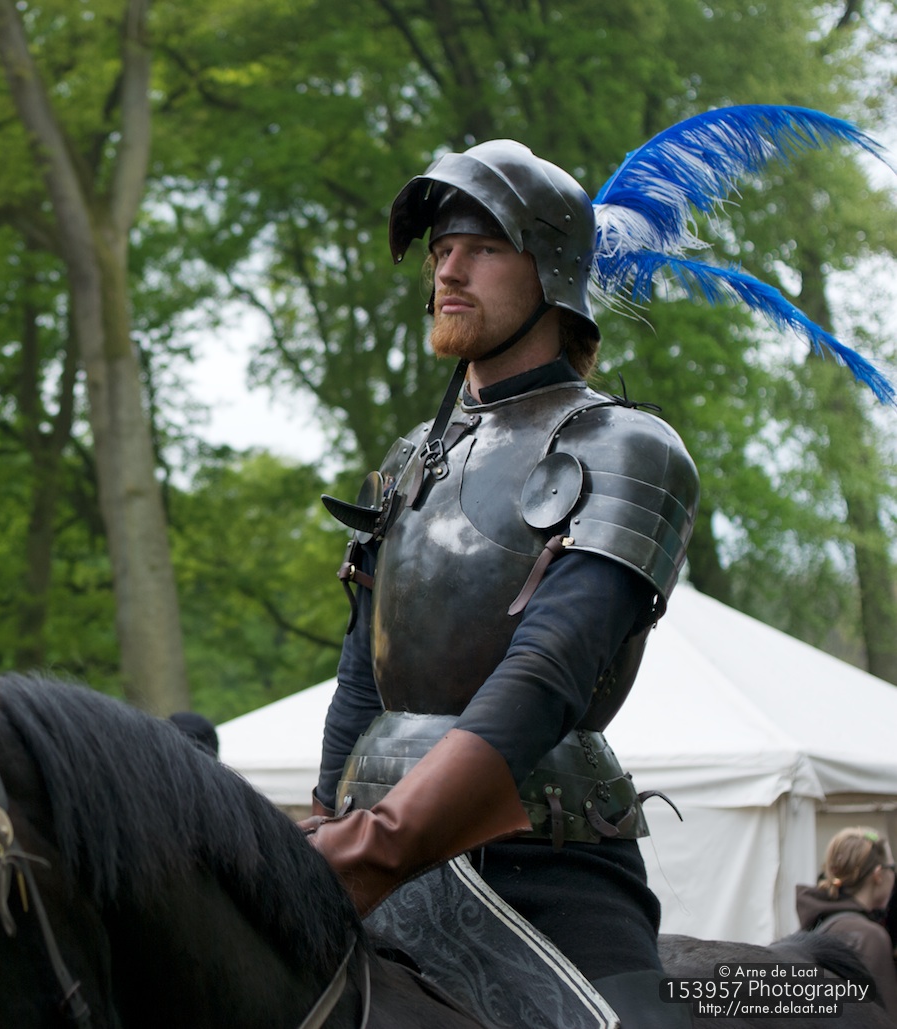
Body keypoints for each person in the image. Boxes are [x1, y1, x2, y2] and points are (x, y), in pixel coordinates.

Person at [305, 139, 700, 1028]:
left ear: (552, 271)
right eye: (441, 249)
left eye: (481, 248)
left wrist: (373, 847)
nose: (448, 270)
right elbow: (364, 670)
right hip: (369, 838)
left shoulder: (624, 448)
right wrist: (328, 819)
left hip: (547, 855)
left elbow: (546, 672)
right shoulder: (411, 457)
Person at [796, 827, 897, 1010]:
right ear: (878, 875)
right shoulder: (869, 937)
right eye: (892, 868)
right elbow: (886, 1017)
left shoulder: (819, 922)